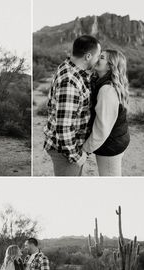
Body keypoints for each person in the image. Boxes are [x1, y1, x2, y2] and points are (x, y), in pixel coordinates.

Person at [44, 35, 101, 176]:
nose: (98, 60)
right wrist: (77, 156)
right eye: (97, 56)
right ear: (88, 56)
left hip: (69, 148)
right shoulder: (70, 82)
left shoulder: (71, 68)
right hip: (66, 152)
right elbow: (64, 128)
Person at [82, 50, 130, 176]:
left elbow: (102, 129)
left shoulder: (107, 90)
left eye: (101, 57)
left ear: (109, 65)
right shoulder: (104, 82)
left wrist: (85, 150)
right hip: (117, 140)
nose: (97, 58)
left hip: (110, 146)